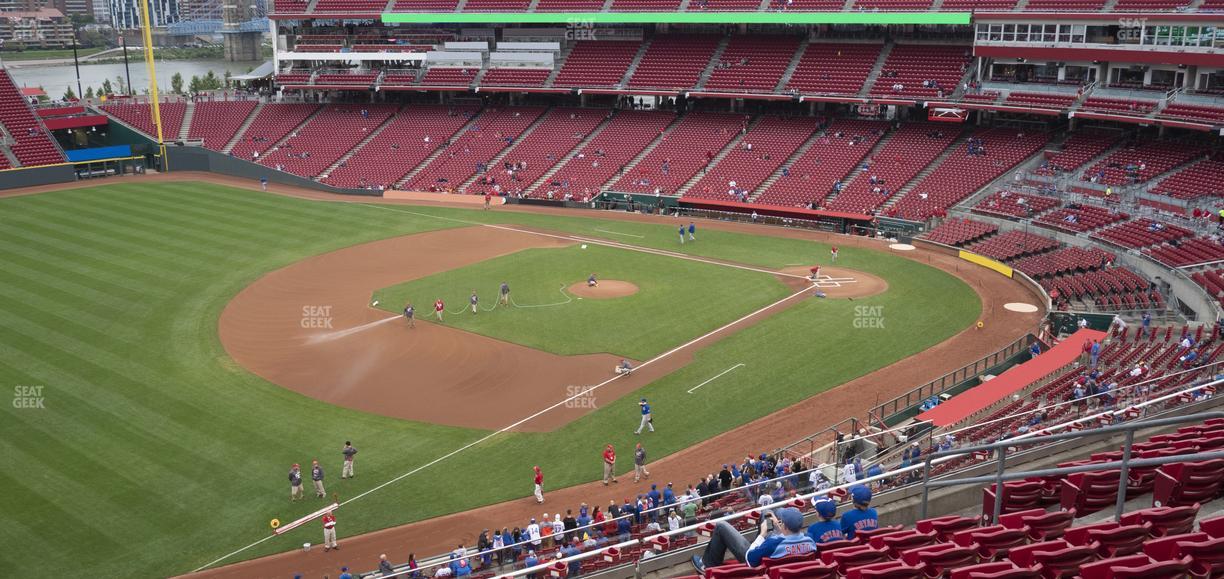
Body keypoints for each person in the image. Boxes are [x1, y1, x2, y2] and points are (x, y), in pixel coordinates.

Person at [691, 507, 816, 573]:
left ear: (785, 526)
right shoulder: (810, 540)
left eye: (781, 521)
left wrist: (762, 534)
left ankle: (707, 565)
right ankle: (767, 517)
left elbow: (749, 559)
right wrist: (778, 527)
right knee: (767, 513)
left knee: (721, 526)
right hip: (786, 564)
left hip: (755, 560)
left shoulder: (772, 543)